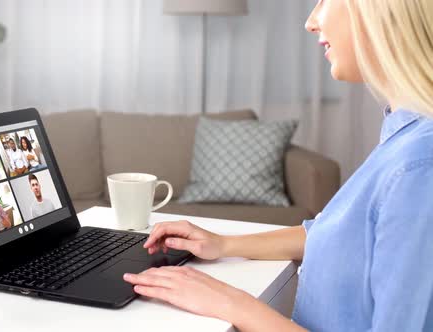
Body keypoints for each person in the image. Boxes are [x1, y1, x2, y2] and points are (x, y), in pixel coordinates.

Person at [123, 1, 433, 331]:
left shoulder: (419, 167)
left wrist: (234, 303)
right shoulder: (406, 136)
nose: (311, 22)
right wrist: (224, 244)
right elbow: (345, 234)